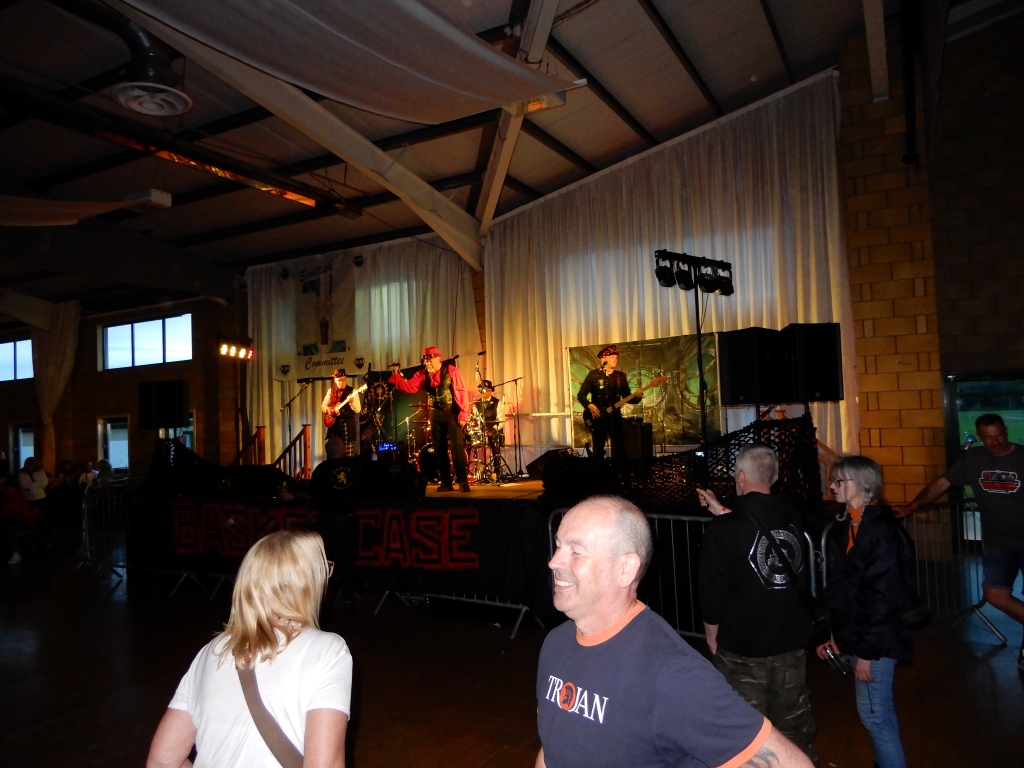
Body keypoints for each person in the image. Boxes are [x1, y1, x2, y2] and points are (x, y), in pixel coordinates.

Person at [537, 495, 813, 768]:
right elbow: (552, 749)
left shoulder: (673, 675)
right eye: (558, 545)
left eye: (576, 551)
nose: (554, 561)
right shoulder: (555, 643)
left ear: (625, 569)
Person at [146, 529, 352, 768]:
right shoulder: (328, 651)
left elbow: (161, 762)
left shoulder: (211, 651)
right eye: (323, 569)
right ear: (307, 582)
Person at [697, 446, 819, 765]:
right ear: (774, 476)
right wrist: (723, 510)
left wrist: (712, 637)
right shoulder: (797, 516)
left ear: (740, 477)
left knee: (744, 736)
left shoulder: (723, 530)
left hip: (743, 651)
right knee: (794, 733)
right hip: (791, 646)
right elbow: (754, 528)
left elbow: (711, 592)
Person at [898, 413, 1024, 672]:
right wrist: (912, 505)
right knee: (995, 595)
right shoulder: (973, 459)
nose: (995, 442)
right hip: (998, 543)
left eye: (999, 435)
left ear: (1006, 431)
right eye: (988, 438)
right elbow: (941, 484)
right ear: (979, 437)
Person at [816, 456, 911, 768]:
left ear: (862, 484)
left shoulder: (881, 529)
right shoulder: (849, 525)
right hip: (860, 635)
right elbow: (842, 589)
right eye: (832, 481)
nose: (832, 486)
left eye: (839, 481)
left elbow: (883, 596)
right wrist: (834, 634)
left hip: (877, 641)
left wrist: (867, 653)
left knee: (874, 717)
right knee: (880, 714)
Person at [390, 346, 471, 492]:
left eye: (430, 361)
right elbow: (410, 387)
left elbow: (461, 392)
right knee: (439, 449)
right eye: (426, 361)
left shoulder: (452, 371)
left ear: (438, 359)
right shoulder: (423, 375)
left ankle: (463, 481)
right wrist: (396, 375)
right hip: (435, 414)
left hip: (452, 413)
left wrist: (463, 413)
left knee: (457, 448)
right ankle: (445, 482)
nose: (427, 364)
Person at [576, 346, 642, 485]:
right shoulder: (593, 375)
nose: (615, 359)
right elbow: (581, 395)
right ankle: (598, 481)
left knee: (620, 448)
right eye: (612, 357)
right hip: (597, 418)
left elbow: (627, 396)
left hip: (614, 418)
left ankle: (624, 480)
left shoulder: (620, 376)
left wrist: (637, 397)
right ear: (603, 359)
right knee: (598, 449)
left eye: (616, 357)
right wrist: (590, 405)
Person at [308, 436, 361, 603]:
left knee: (328, 558)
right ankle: (348, 596)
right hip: (347, 518)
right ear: (342, 449)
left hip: (326, 519)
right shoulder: (353, 465)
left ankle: (327, 597)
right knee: (348, 557)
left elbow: (311, 493)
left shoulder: (321, 469)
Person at [321, 368, 362, 457]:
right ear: (334, 380)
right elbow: (323, 406)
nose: (340, 383)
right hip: (334, 426)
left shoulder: (353, 391)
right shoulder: (330, 391)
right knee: (333, 453)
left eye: (342, 380)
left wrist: (351, 402)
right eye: (338, 381)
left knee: (347, 454)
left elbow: (358, 410)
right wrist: (328, 410)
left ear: (346, 379)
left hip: (347, 426)